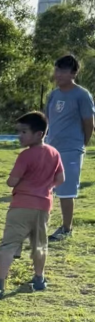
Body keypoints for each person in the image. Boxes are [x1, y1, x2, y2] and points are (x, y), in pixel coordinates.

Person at [0, 112, 64, 299]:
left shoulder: (26, 155)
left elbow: (12, 181)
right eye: (18, 132)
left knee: (9, 245)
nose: (19, 136)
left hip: (21, 205)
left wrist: (16, 182)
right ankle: (39, 278)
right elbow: (61, 178)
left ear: (39, 134)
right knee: (40, 244)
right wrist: (46, 187)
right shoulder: (54, 153)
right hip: (43, 206)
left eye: (23, 132)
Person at [45, 55, 95, 242]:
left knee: (66, 191)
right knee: (45, 189)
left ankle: (66, 228)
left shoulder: (82, 95)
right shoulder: (53, 94)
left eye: (63, 71)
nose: (58, 74)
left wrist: (81, 144)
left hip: (71, 149)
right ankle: (41, 224)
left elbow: (89, 123)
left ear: (73, 73)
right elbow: (46, 121)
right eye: (57, 70)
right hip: (51, 148)